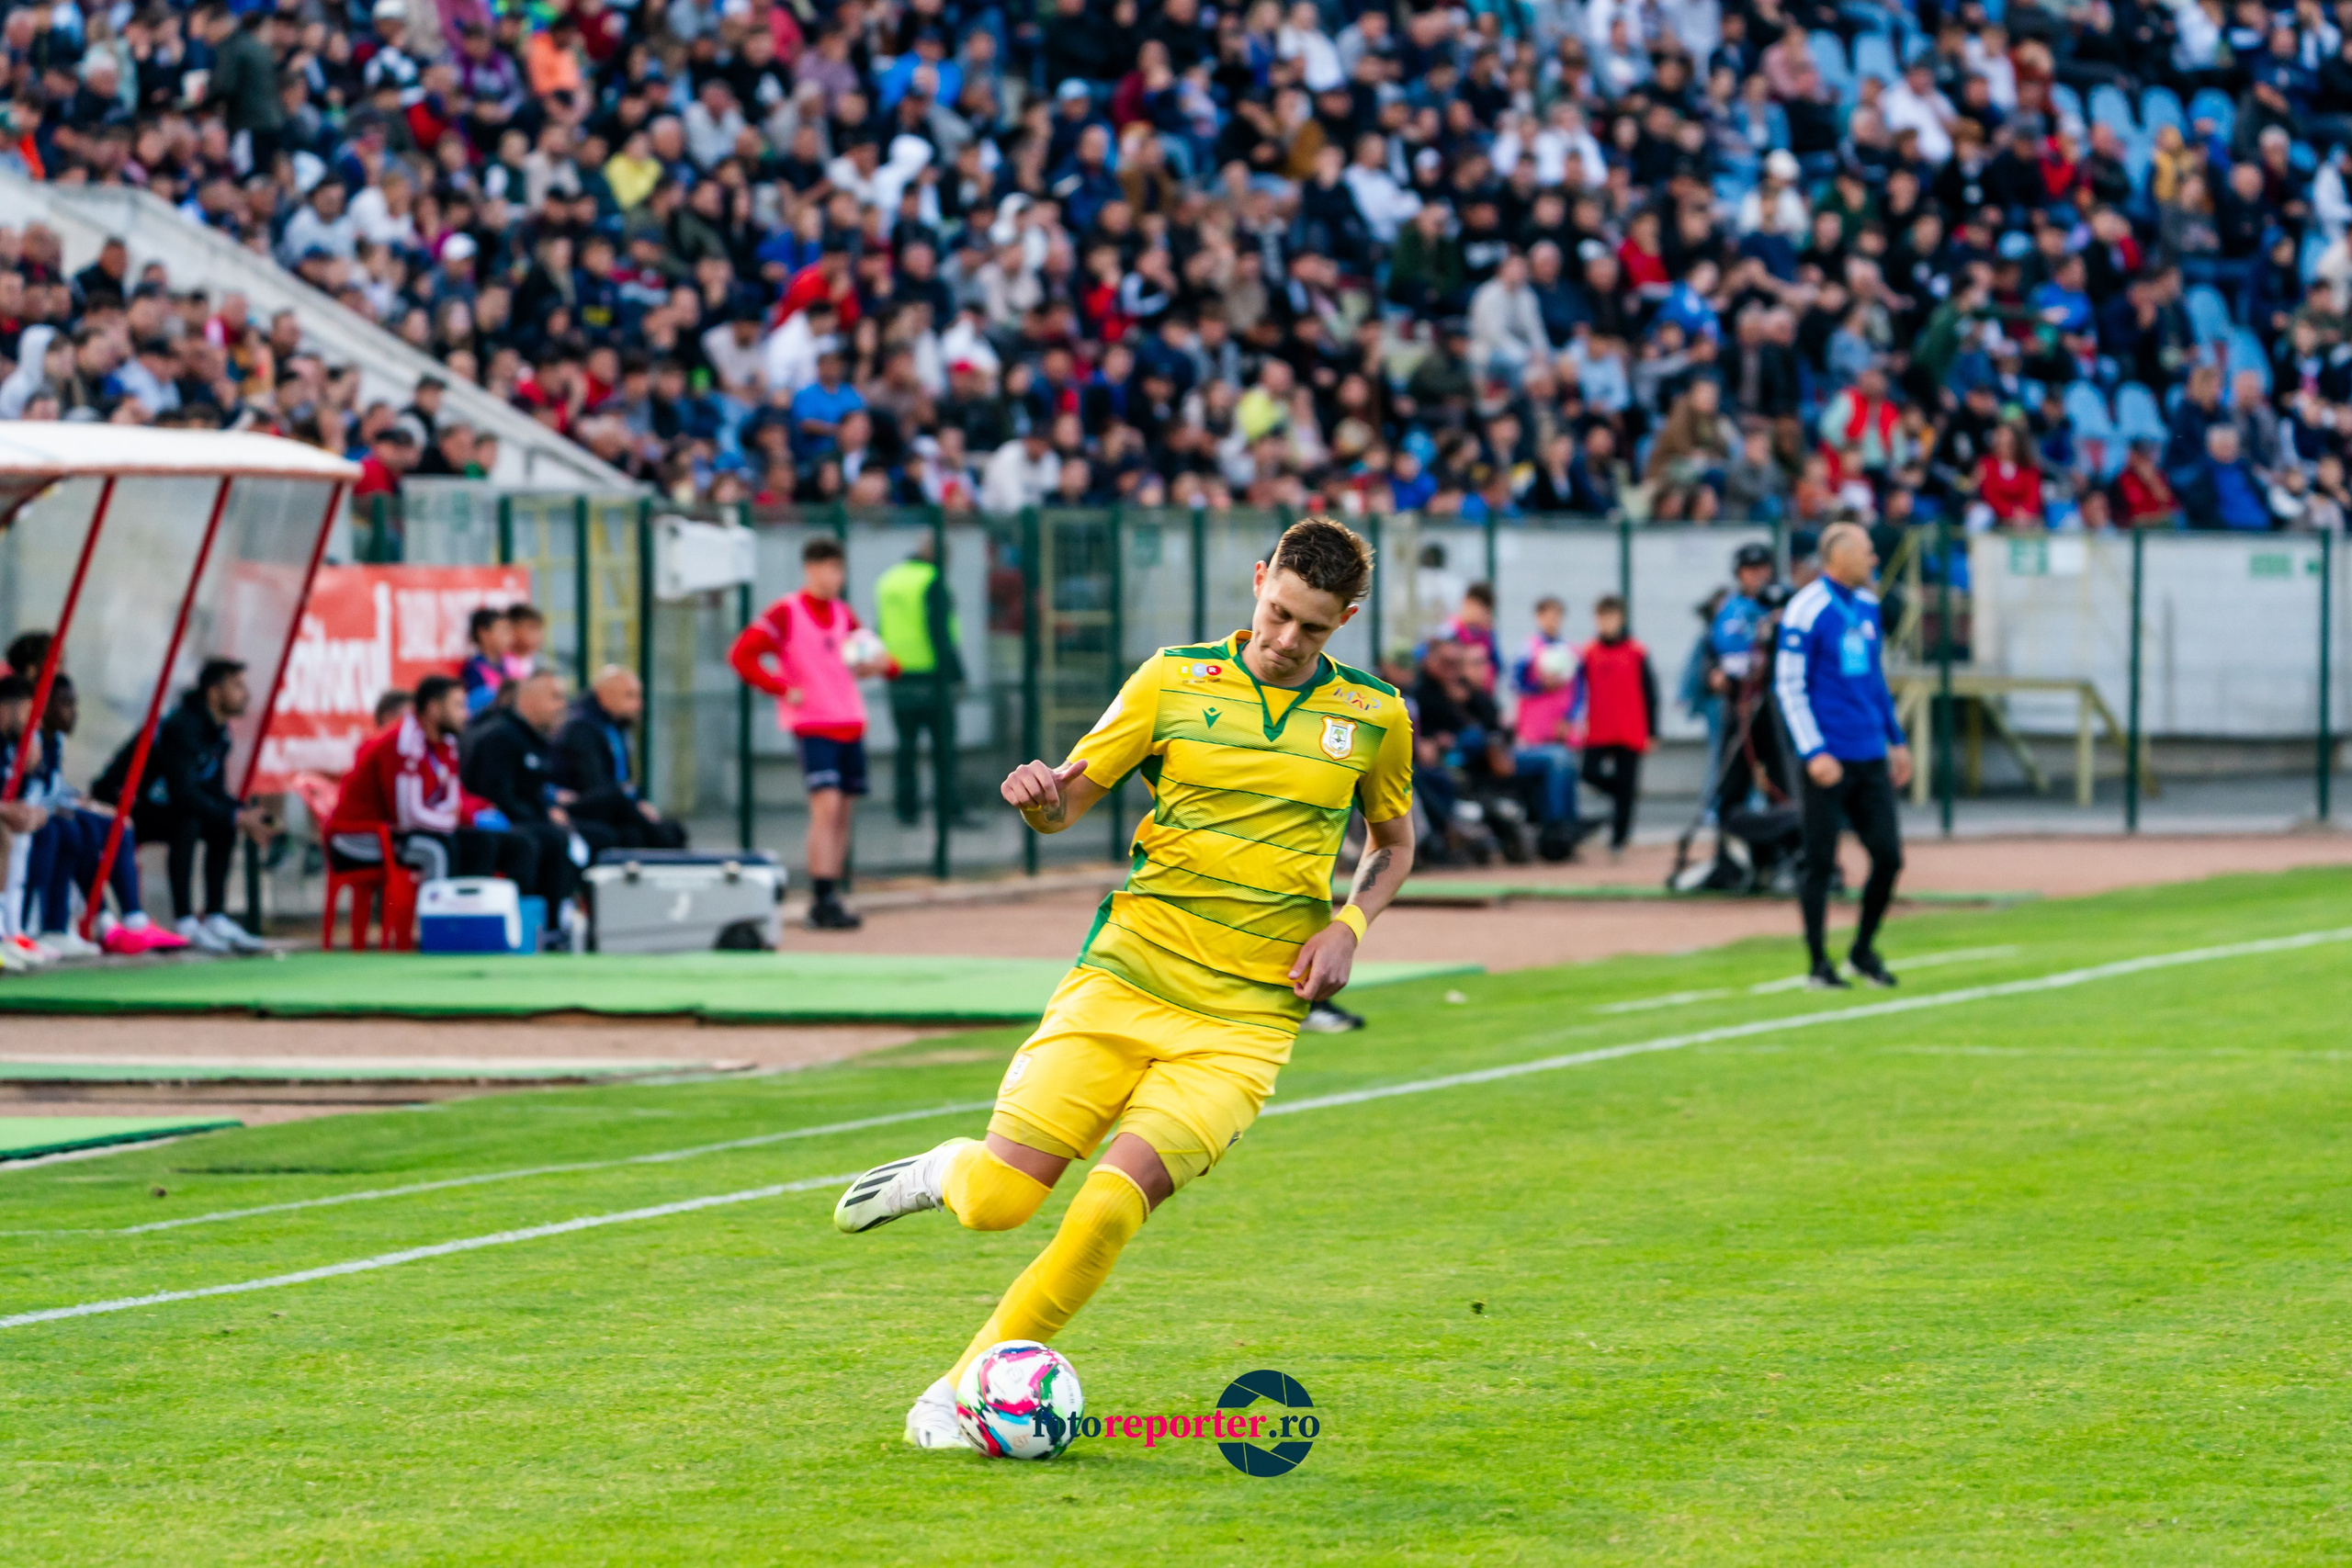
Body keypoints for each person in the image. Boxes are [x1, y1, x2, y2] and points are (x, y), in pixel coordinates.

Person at [829, 517, 1417, 1450]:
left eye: (1311, 627)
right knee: (998, 1206)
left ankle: (954, 1393)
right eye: (1274, 613)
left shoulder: (1376, 715)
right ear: (1257, 579)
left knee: (1108, 1206)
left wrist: (1349, 925)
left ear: (1344, 619)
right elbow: (1071, 800)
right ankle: (945, 1171)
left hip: (1244, 1021)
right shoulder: (1170, 679)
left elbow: (1393, 843)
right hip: (1123, 981)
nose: (1283, 640)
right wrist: (1040, 800)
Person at [1774, 522, 1910, 989]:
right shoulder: (1805, 609)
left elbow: (1874, 679)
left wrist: (1896, 738)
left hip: (1869, 750)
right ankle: (1817, 962)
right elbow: (1790, 687)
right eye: (1867, 552)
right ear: (1840, 555)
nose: (1874, 561)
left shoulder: (1868, 607)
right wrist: (1813, 750)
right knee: (1820, 860)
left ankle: (1862, 950)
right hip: (1828, 756)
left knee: (1888, 857)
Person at [727, 537, 886, 928]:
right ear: (811, 568)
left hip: (850, 720)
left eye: (840, 570)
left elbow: (870, 657)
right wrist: (781, 687)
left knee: (843, 812)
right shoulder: (786, 611)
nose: (836, 577)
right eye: (830, 568)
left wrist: (879, 665)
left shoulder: (843, 614)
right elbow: (742, 655)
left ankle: (831, 893)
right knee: (826, 807)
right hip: (814, 724)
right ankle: (821, 893)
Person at [107, 658, 277, 953]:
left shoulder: (219, 732)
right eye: (237, 686)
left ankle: (214, 916)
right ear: (213, 692)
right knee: (188, 821)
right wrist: (236, 815)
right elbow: (184, 793)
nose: (245, 694)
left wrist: (246, 815)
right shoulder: (181, 726)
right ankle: (185, 922)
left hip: (167, 805)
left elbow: (212, 791)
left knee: (223, 825)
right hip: (125, 806)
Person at [332, 673, 537, 895]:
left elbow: (450, 802)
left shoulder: (446, 744)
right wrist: (450, 822)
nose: (466, 714)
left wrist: (456, 820)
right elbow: (408, 816)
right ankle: (436, 923)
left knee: (489, 843)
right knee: (437, 849)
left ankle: (477, 920)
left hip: (402, 833)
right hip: (355, 840)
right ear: (433, 709)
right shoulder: (401, 743)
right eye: (458, 706)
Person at [459, 671, 587, 938]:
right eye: (555, 697)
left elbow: (536, 792)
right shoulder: (499, 738)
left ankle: (558, 922)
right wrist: (543, 819)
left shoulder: (536, 739)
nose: (562, 705)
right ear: (530, 700)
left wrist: (551, 811)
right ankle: (526, 926)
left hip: (526, 821)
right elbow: (498, 797)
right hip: (493, 823)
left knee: (580, 834)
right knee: (541, 840)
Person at [874, 537, 966, 829]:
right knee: (944, 748)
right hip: (932, 677)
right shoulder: (933, 580)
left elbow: (881, 627)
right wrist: (957, 674)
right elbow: (939, 631)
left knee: (905, 746)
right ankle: (949, 810)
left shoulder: (888, 580)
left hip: (898, 676)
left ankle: (906, 810)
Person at [551, 668, 688, 852]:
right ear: (604, 696)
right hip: (580, 806)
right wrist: (634, 807)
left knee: (639, 833)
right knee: (620, 803)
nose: (638, 705)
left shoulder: (618, 728)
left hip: (614, 808)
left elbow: (625, 780)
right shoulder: (581, 728)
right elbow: (594, 785)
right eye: (630, 696)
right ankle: (664, 838)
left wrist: (638, 802)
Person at [1574, 594, 1657, 856]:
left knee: (1627, 780)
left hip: (1630, 727)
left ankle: (1619, 840)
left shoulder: (1636, 651)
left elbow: (1650, 693)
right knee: (1589, 773)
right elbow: (1575, 691)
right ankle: (1620, 794)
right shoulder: (1588, 653)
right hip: (1599, 727)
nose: (1606, 623)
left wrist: (1653, 731)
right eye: (1602, 618)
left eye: (1611, 617)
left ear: (1620, 619)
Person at [459, 605, 512, 716]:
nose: (509, 637)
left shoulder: (508, 665)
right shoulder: (474, 669)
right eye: (503, 631)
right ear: (484, 633)